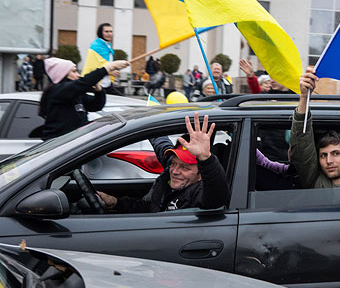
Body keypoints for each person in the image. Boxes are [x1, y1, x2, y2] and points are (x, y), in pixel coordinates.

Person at [97, 113, 230, 213]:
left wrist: (205, 158)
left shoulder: (200, 194)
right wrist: (115, 202)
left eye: (185, 167)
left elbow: (217, 193)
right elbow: (149, 208)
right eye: (174, 163)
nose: (175, 171)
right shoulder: (168, 178)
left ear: (200, 175)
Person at [289, 66, 340, 188]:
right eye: (323, 155)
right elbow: (302, 144)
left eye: (335, 153)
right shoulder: (315, 180)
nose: (329, 161)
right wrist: (304, 97)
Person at [39, 57, 129, 140]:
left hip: (76, 143)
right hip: (58, 146)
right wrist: (109, 67)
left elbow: (96, 105)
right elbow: (83, 83)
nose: (78, 75)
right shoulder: (57, 91)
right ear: (62, 74)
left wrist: (99, 90)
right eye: (74, 72)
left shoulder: (77, 94)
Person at [82, 23, 123, 96]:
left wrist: (114, 69)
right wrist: (111, 71)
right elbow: (93, 66)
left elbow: (107, 63)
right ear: (101, 33)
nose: (109, 34)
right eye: (106, 32)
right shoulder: (95, 46)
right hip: (97, 85)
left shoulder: (108, 46)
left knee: (122, 100)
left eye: (111, 31)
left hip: (108, 84)